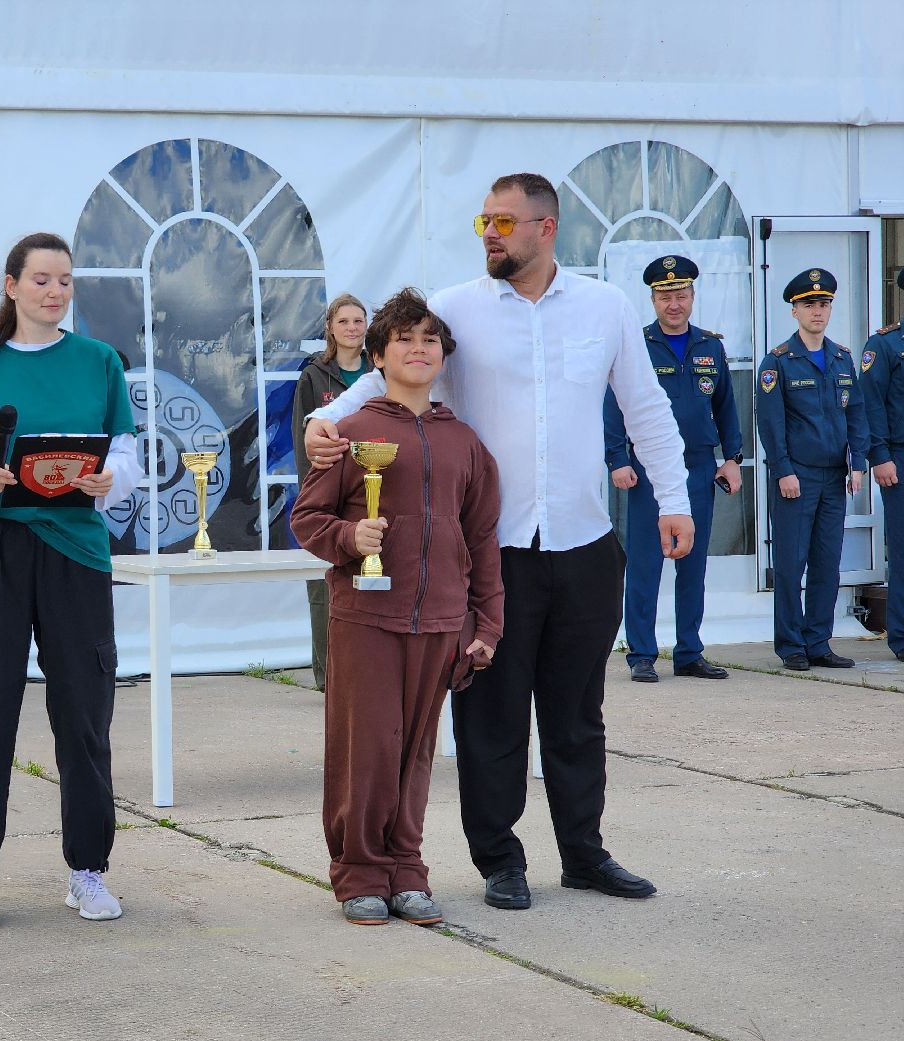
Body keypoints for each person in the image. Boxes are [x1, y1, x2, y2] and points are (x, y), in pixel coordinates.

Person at [306, 173, 693, 911]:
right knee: (491, 716)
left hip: (585, 543)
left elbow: (645, 408)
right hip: (493, 551)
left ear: (546, 228)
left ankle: (584, 854)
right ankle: (499, 861)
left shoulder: (605, 307)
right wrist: (321, 424)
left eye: (505, 222)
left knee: (577, 715)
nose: (489, 232)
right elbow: (384, 374)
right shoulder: (455, 308)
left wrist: (673, 500)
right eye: (484, 220)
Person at [0, 232, 142, 929]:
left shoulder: (99, 362)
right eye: (41, 279)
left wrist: (112, 480)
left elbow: (127, 453)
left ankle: (88, 870)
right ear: (11, 285)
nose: (55, 292)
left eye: (65, 280)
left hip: (77, 552)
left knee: (84, 715)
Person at [291, 288, 503, 926]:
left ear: (443, 356)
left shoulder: (465, 442)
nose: (418, 349)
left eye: (430, 340)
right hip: (365, 618)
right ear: (377, 356)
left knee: (416, 751)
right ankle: (359, 871)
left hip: (440, 621)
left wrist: (487, 623)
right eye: (403, 340)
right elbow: (307, 518)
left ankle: (407, 869)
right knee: (366, 749)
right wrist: (349, 538)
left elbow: (481, 538)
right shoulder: (351, 434)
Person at [604, 256, 744, 683]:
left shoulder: (710, 346)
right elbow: (614, 404)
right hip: (649, 468)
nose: (674, 304)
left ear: (692, 296)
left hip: (699, 466)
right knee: (645, 564)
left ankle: (688, 652)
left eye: (681, 295)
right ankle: (641, 653)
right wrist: (618, 459)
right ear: (653, 300)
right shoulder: (638, 345)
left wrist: (732, 458)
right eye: (665, 296)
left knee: (693, 563)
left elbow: (726, 406)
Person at [756, 268, 868, 671]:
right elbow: (770, 423)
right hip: (796, 478)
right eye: (808, 305)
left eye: (823, 304)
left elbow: (856, 413)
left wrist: (858, 462)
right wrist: (782, 469)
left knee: (826, 563)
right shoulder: (779, 362)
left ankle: (818, 642)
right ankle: (791, 645)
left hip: (834, 477)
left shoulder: (841, 358)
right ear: (794, 311)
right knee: (791, 564)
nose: (817, 312)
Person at [291, 294, 370, 691]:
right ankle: (328, 675)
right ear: (330, 329)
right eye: (344, 321)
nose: (352, 328)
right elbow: (301, 441)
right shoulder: (313, 376)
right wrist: (317, 496)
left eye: (358, 321)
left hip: (372, 492)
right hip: (329, 494)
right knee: (324, 584)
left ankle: (367, 670)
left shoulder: (381, 372)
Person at [860, 269, 904, 663]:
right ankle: (902, 637)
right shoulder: (886, 345)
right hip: (899, 458)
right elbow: (870, 403)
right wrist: (880, 455)